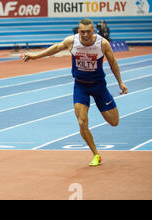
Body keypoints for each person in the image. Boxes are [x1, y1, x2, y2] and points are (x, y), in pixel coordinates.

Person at [22, 18, 128, 167]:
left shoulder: (102, 43)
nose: (84, 35)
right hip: (81, 87)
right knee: (82, 122)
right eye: (81, 32)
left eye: (87, 32)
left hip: (99, 87)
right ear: (78, 31)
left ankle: (102, 110)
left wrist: (120, 82)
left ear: (93, 31)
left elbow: (113, 62)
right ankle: (96, 154)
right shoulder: (72, 41)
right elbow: (55, 48)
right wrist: (35, 56)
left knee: (114, 122)